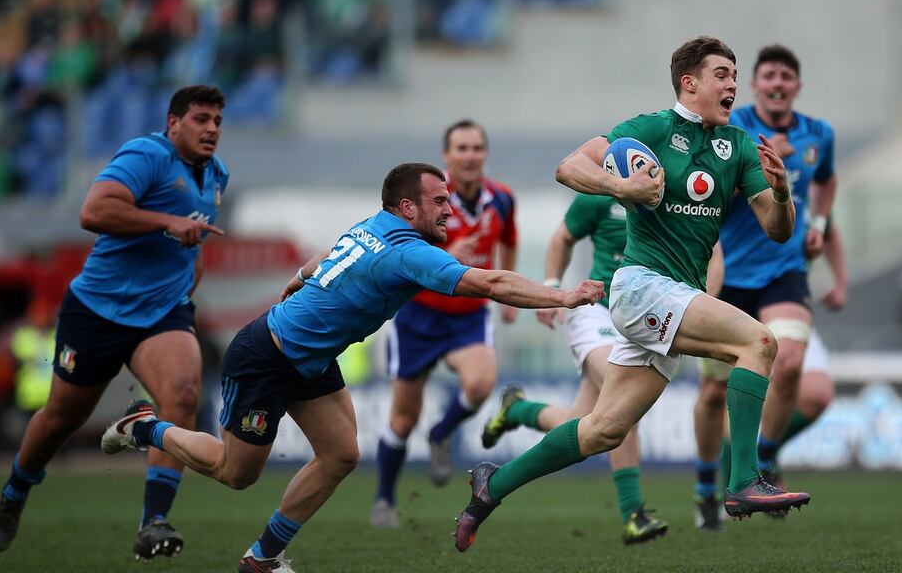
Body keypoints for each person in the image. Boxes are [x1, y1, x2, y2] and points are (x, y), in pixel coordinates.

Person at [100, 163, 603, 573]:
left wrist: (298, 279)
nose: (450, 209)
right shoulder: (409, 253)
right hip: (266, 359)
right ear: (407, 207)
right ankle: (146, 428)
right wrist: (562, 294)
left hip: (308, 360)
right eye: (439, 201)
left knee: (340, 455)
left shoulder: (374, 226)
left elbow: (326, 258)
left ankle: (262, 558)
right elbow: (490, 282)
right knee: (236, 474)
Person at [454, 36, 813, 552]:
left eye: (735, 74)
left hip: (668, 298)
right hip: (641, 288)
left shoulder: (737, 145)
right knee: (758, 343)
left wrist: (781, 192)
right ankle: (741, 483)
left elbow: (778, 230)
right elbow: (568, 166)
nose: (733, 83)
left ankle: (492, 485)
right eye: (721, 74)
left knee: (603, 430)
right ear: (689, 83)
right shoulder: (650, 129)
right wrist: (619, 187)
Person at [0, 85, 228, 560]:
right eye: (201, 119)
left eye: (218, 120)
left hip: (162, 311)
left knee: (182, 394)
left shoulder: (215, 176)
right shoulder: (147, 154)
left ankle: (153, 521)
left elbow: (190, 239)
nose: (212, 129)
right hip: (98, 309)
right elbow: (92, 211)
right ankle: (15, 490)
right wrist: (165, 221)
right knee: (61, 417)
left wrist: (187, 275)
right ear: (173, 122)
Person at [692, 44, 837, 529]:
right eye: (768, 76)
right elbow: (710, 188)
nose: (777, 84)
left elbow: (826, 181)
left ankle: (763, 461)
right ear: (755, 85)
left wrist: (818, 220)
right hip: (727, 274)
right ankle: (704, 486)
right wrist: (765, 161)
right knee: (713, 395)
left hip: (784, 270)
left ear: (797, 85)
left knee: (791, 358)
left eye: (786, 77)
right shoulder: (732, 130)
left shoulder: (820, 135)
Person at [479, 193, 667, 544]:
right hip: (598, 314)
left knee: (583, 426)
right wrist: (551, 288)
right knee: (624, 398)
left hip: (643, 322)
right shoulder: (601, 192)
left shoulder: (671, 187)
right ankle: (633, 514)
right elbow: (562, 238)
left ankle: (517, 409)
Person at [371, 120, 518, 528]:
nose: (470, 155)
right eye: (462, 148)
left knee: (481, 382)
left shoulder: (502, 199)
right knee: (402, 419)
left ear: (485, 154)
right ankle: (384, 497)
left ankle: (441, 434)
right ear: (446, 155)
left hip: (467, 315)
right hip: (418, 315)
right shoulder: (426, 201)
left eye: (477, 148)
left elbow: (509, 238)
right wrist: (449, 253)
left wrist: (507, 287)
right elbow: (403, 251)